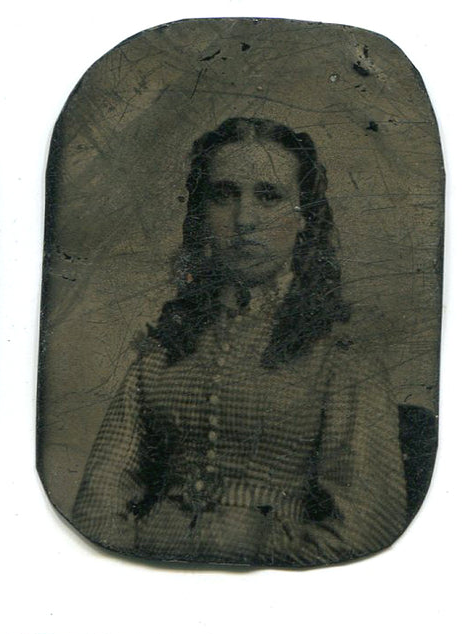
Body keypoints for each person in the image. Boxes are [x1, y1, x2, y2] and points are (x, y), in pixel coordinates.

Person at [73, 117, 407, 567]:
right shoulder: (167, 346)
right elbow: (101, 496)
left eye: (268, 196)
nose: (244, 219)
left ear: (303, 217)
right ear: (201, 212)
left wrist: (252, 548)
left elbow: (368, 525)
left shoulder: (340, 354)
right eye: (223, 195)